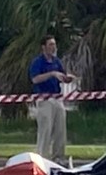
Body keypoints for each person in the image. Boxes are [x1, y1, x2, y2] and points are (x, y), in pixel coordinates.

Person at [28, 35, 73, 163]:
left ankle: (58, 157)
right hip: (44, 98)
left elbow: (62, 75)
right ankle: (42, 158)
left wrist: (67, 78)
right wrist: (51, 74)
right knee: (45, 129)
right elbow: (35, 79)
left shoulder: (56, 61)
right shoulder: (38, 62)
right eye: (50, 45)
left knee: (60, 130)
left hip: (57, 98)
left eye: (54, 44)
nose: (53, 48)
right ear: (44, 47)